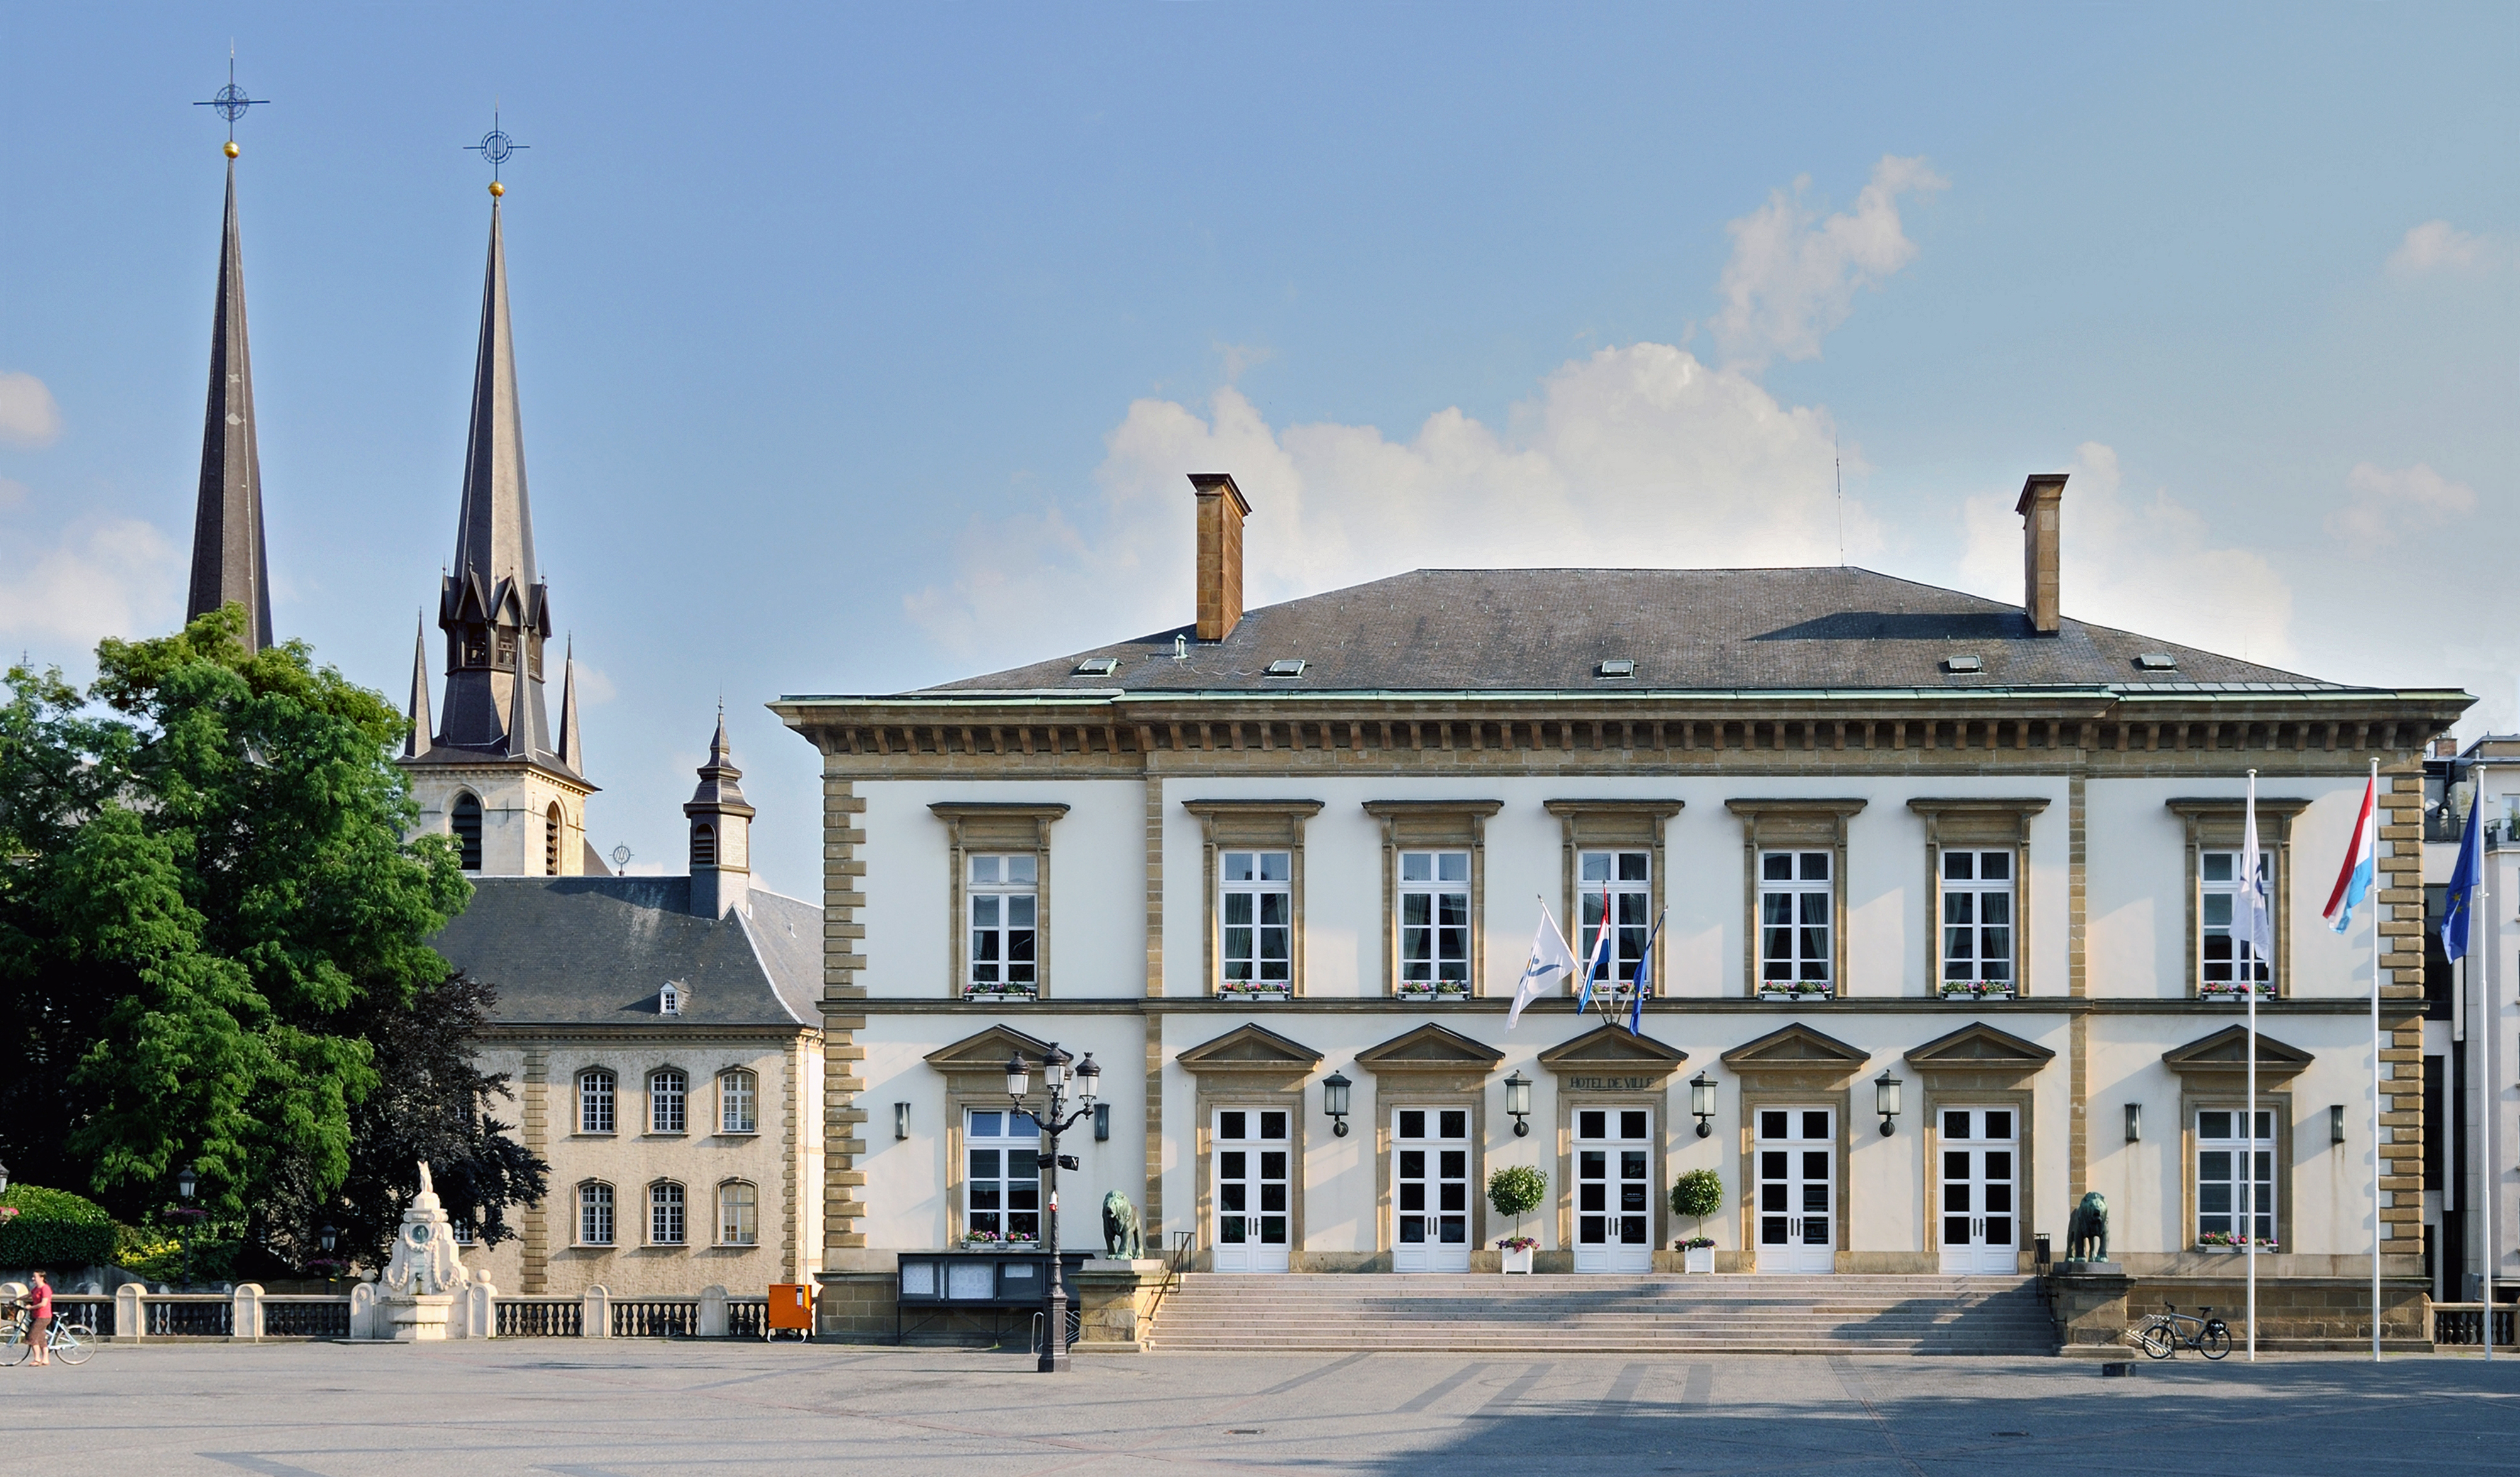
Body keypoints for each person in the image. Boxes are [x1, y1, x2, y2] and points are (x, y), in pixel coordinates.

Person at [21, 1271, 50, 1366]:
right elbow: (28, 1295)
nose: (33, 1279)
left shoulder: (45, 1289)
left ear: (41, 1278)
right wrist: (16, 1299)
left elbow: (43, 1304)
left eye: (35, 1277)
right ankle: (45, 1359)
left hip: (43, 1316)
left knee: (32, 1336)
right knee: (41, 1338)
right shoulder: (36, 1289)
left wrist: (31, 1308)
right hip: (37, 1316)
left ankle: (37, 1359)